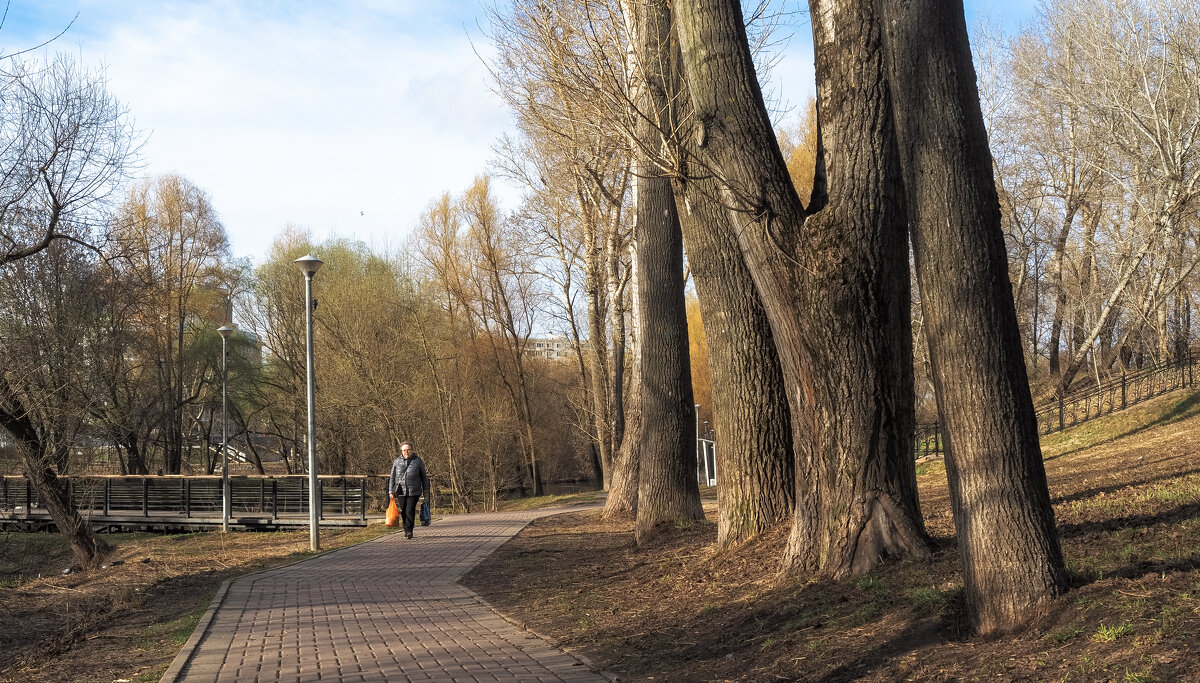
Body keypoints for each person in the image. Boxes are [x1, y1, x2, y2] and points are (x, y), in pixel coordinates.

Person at [388, 441, 430, 539]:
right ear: (401, 451)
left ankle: (409, 530)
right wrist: (391, 491)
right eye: (404, 450)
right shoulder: (397, 461)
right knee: (403, 510)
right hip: (401, 490)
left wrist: (426, 491)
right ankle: (406, 529)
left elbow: (424, 477)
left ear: (412, 450)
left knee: (409, 510)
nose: (406, 452)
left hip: (414, 490)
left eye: (408, 450)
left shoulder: (418, 461)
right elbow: (392, 477)